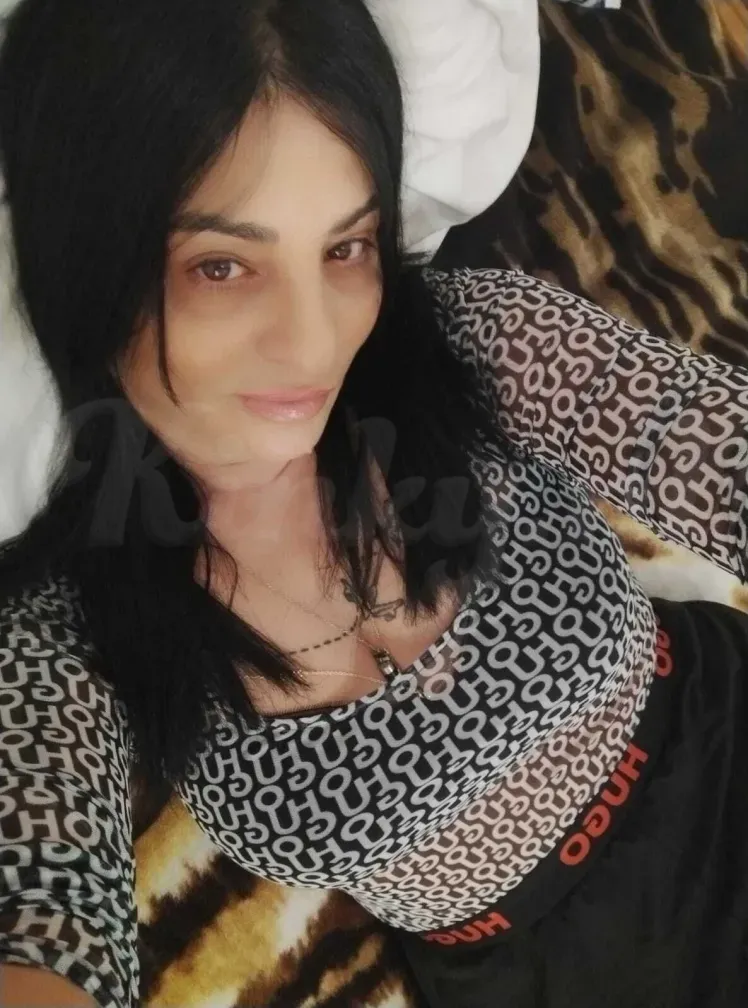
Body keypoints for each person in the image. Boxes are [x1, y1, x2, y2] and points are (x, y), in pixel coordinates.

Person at [0, 2, 748, 1008]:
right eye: (222, 265)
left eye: (345, 248)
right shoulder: (68, 628)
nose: (314, 343)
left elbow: (699, 441)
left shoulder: (480, 342)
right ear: (91, 260)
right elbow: (40, 901)